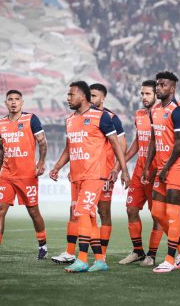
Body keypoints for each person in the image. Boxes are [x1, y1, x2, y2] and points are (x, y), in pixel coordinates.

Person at [49, 81, 130, 273]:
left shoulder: (101, 117)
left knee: (83, 211)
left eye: (71, 95)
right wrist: (58, 166)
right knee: (90, 218)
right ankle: (100, 260)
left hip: (95, 174)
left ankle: (82, 259)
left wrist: (123, 170)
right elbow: (70, 147)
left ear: (82, 96)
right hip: (77, 175)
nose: (68, 98)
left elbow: (116, 143)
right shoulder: (70, 119)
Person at [0, 90, 48, 261]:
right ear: (6, 103)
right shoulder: (1, 123)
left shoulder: (31, 119)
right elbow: (0, 149)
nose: (14, 102)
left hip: (27, 174)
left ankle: (43, 246)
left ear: (22, 103)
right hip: (7, 174)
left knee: (33, 211)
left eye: (17, 99)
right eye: (10, 99)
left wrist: (41, 162)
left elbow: (43, 142)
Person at [141, 71, 180, 273]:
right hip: (162, 168)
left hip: (178, 167)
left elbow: (179, 144)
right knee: (156, 212)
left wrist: (164, 169)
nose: (158, 88)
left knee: (172, 213)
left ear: (172, 89)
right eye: (157, 84)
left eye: (162, 85)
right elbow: (154, 140)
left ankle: (170, 259)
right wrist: (148, 167)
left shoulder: (179, 111)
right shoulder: (154, 110)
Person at [119, 80, 163, 267]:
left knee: (157, 215)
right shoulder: (139, 114)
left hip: (156, 172)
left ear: (156, 94)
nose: (144, 97)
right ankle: (138, 251)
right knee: (131, 209)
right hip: (139, 170)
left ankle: (151, 255)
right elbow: (138, 141)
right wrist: (119, 166)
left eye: (147, 94)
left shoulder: (163, 114)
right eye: (142, 94)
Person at [90, 83, 127, 258]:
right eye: (89, 95)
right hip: (85, 173)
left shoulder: (111, 117)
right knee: (79, 211)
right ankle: (72, 251)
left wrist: (117, 168)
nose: (91, 99)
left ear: (103, 98)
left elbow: (123, 144)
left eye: (95, 96)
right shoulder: (81, 117)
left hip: (104, 173)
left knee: (103, 212)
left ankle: (101, 254)